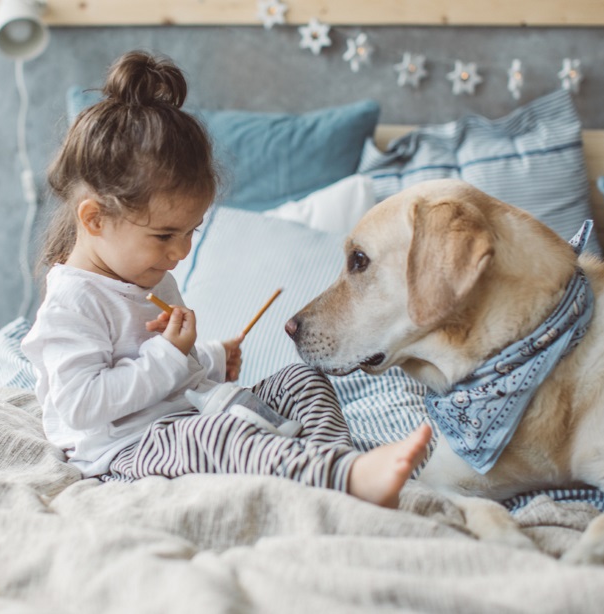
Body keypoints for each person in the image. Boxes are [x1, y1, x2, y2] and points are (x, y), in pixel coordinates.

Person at [21, 50, 431, 508]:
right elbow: (83, 404)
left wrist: (212, 358)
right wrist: (170, 355)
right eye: (164, 235)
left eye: (191, 231)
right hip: (126, 449)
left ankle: (332, 465)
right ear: (95, 219)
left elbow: (171, 370)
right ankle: (342, 478)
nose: (181, 252)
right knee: (223, 436)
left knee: (302, 379)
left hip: (183, 415)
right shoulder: (72, 304)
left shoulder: (146, 273)